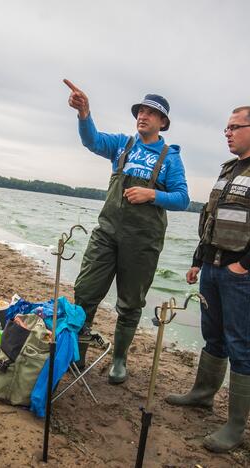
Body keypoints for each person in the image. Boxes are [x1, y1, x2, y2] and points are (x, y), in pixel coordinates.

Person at [166, 106, 250, 452]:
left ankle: (235, 427)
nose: (227, 133)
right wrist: (198, 261)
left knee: (239, 344)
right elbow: (212, 220)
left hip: (241, 275)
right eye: (226, 127)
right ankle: (202, 395)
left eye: (234, 127)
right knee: (213, 337)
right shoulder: (227, 170)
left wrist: (246, 264)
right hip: (212, 269)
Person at [63, 79, 190, 384]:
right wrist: (84, 114)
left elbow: (183, 198)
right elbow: (91, 140)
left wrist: (152, 195)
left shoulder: (170, 158)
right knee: (85, 293)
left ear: (163, 122)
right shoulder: (122, 144)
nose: (143, 116)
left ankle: (119, 359)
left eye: (151, 113)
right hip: (107, 233)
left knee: (131, 304)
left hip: (143, 242)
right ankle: (78, 354)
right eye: (140, 111)